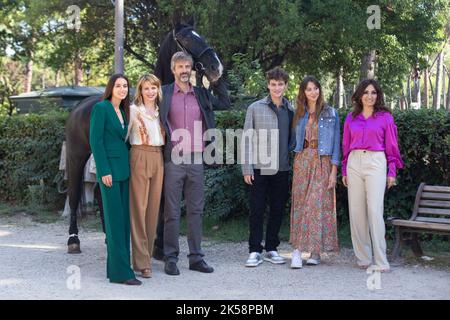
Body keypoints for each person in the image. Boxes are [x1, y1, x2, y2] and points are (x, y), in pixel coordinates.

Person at [160, 51, 230, 275]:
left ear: (191, 69)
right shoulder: (164, 94)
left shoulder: (201, 94)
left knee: (196, 211)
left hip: (197, 159)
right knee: (171, 211)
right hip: (173, 159)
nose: (183, 70)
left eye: (187, 66)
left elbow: (225, 102)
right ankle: (170, 258)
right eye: (179, 66)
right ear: (173, 70)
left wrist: (215, 79)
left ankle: (196, 258)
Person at [342, 79, 404, 272]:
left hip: (376, 162)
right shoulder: (351, 118)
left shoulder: (385, 117)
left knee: (375, 211)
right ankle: (363, 257)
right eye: (366, 92)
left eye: (374, 92)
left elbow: (392, 146)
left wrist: (391, 171)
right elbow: (345, 146)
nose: (370, 96)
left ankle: (381, 260)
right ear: (360, 95)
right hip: (354, 162)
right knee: (356, 211)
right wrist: (344, 169)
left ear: (378, 95)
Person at [89, 74, 141, 285]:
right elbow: (96, 140)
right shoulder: (101, 108)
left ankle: (117, 269)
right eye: (118, 85)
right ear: (111, 88)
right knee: (114, 223)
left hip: (124, 171)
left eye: (125, 86)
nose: (122, 89)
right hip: (109, 172)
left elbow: (123, 140)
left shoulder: (124, 111)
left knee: (123, 222)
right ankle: (122, 274)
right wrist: (104, 170)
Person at [242, 67, 295, 268]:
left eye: (280, 84)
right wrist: (246, 167)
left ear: (285, 86)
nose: (277, 87)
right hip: (259, 167)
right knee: (256, 209)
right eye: (273, 84)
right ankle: (254, 250)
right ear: (268, 85)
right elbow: (247, 139)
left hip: (281, 168)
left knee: (277, 209)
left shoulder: (291, 110)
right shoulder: (255, 108)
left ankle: (272, 248)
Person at [289, 76, 340, 269]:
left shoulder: (330, 113)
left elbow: (336, 144)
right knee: (301, 204)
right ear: (303, 92)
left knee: (317, 205)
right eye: (309, 89)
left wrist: (333, 171)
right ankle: (297, 251)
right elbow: (292, 139)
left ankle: (315, 251)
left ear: (320, 90)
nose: (313, 92)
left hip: (323, 161)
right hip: (302, 160)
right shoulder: (298, 113)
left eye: (316, 88)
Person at [127, 74, 165, 279]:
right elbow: (122, 136)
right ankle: (142, 262)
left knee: (152, 211)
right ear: (140, 91)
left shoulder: (160, 111)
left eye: (153, 88)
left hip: (158, 157)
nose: (150, 92)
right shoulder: (133, 111)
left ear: (158, 90)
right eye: (146, 88)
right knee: (138, 210)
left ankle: (146, 257)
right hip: (139, 155)